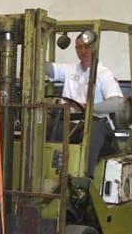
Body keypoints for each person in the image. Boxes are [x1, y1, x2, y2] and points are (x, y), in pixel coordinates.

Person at [46, 34, 123, 176]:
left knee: (91, 132)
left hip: (95, 122)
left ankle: (85, 180)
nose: (83, 51)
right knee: (43, 128)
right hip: (70, 122)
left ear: (94, 48)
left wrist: (88, 107)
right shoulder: (70, 69)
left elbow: (115, 103)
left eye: (86, 47)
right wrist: (38, 42)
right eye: (79, 47)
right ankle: (46, 175)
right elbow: (48, 68)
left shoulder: (104, 73)